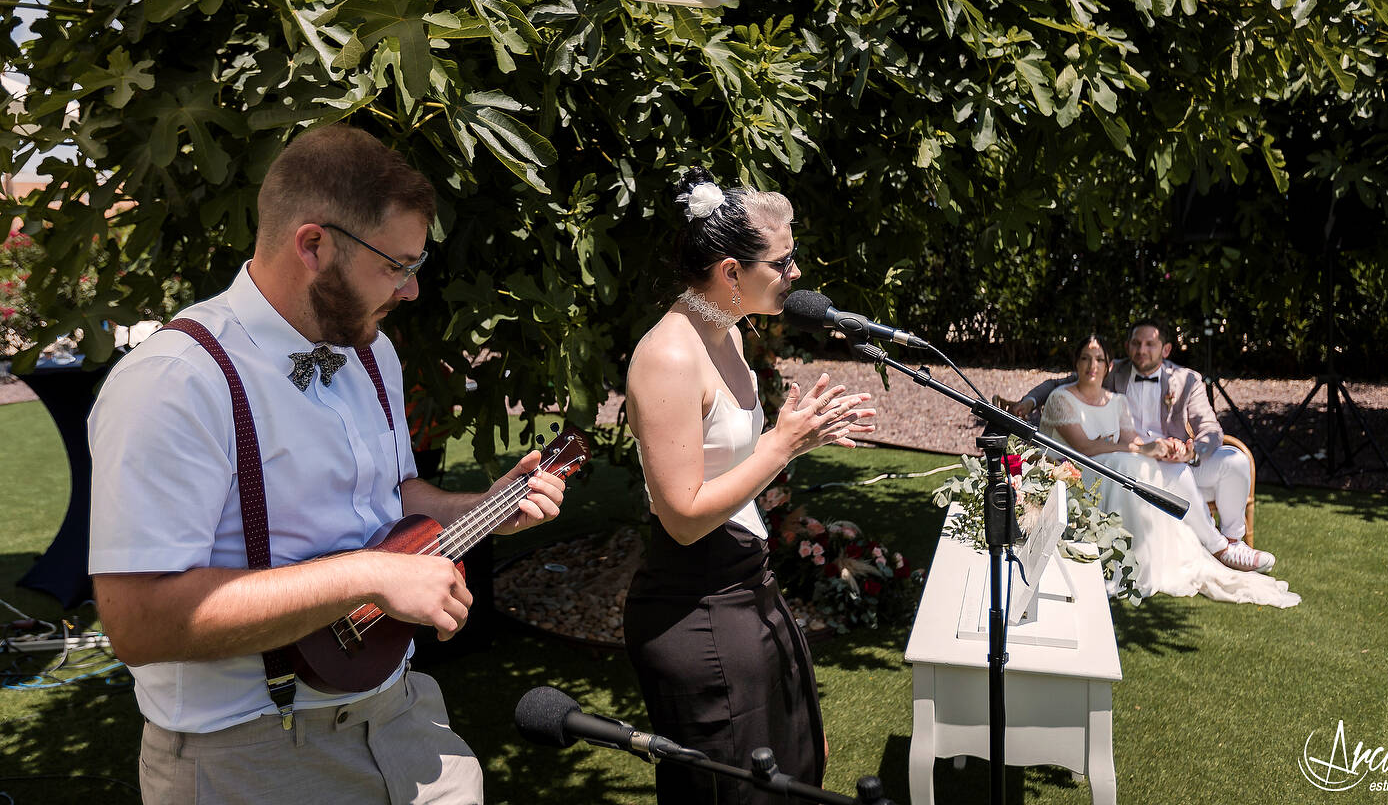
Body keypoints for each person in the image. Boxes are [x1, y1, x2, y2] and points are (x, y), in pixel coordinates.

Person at [88, 125, 568, 805]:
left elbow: (394, 496)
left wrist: (482, 509)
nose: (410, 292)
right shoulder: (175, 379)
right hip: (249, 756)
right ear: (312, 244)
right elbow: (137, 623)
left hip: (404, 719)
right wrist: (369, 574)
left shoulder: (373, 352)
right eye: (396, 266)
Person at [623, 169, 876, 804]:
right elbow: (681, 515)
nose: (796, 276)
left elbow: (727, 466)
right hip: (696, 602)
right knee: (737, 791)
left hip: (746, 580)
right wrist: (781, 444)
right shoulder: (670, 356)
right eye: (783, 262)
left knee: (791, 772)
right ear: (731, 273)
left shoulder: (728, 331)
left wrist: (798, 438)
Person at [1035, 334, 1299, 606]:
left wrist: (1185, 450)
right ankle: (1216, 547)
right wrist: (1031, 401)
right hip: (1080, 471)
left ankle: (1221, 543)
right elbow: (1085, 445)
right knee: (1134, 464)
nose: (1093, 365)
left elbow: (1199, 430)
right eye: (1086, 358)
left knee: (1232, 461)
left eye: (1099, 359)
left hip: (1165, 459)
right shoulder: (1073, 393)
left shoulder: (1174, 383)